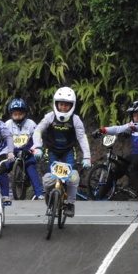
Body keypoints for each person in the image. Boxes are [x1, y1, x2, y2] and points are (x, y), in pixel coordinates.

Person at [31, 87, 91, 217]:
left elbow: (82, 137)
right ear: (56, 104)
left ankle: (70, 203)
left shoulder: (76, 120)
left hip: (68, 151)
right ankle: (49, 195)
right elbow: (38, 130)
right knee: (48, 180)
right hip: (51, 151)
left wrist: (87, 157)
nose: (63, 107)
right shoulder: (49, 117)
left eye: (66, 105)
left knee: (73, 177)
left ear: (72, 106)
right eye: (61, 104)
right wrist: (37, 147)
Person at [91, 100, 138, 198]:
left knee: (132, 168)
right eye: (134, 115)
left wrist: (132, 128)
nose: (136, 118)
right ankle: (99, 196)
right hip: (135, 154)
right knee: (117, 168)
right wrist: (102, 130)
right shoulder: (131, 125)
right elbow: (117, 129)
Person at [3, 98, 44, 200]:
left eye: (20, 114)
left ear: (25, 113)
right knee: (4, 167)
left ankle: (39, 193)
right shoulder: (7, 124)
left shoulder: (31, 124)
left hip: (28, 152)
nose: (18, 117)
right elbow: (3, 139)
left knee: (31, 169)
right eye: (15, 115)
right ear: (11, 114)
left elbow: (37, 139)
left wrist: (32, 150)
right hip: (13, 151)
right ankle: (1, 191)